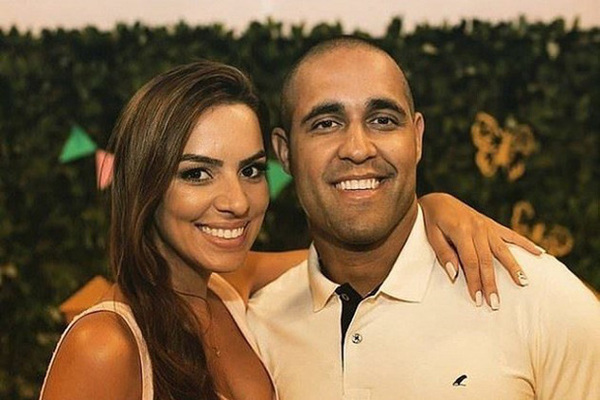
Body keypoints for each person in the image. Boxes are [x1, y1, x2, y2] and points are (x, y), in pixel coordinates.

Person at [40, 60, 538, 400]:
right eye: (197, 173)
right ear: (145, 184)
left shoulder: (230, 288)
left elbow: (363, 258)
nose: (237, 201)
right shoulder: (105, 345)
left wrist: (432, 209)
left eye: (251, 170)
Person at [246, 37, 600, 400]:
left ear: (417, 138)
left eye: (382, 120)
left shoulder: (538, 299)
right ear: (285, 153)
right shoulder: (256, 331)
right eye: (326, 124)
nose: (357, 148)